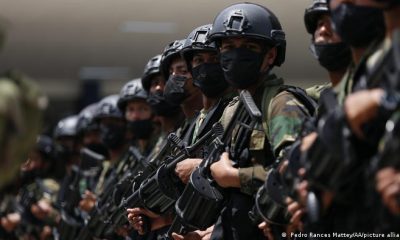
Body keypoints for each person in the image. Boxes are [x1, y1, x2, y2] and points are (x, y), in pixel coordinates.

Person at [204, 3, 313, 239]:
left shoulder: (281, 104)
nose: (236, 55)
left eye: (249, 47)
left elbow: (296, 175)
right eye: (228, 47)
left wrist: (234, 177)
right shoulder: (234, 109)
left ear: (270, 55)